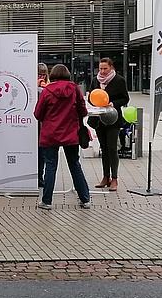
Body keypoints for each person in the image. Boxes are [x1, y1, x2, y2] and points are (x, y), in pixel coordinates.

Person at [33, 64, 91, 210]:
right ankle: (85, 199)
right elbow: (83, 111)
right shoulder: (74, 90)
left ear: (52, 75)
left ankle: (47, 201)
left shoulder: (47, 91)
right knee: (74, 165)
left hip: (50, 134)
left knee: (51, 166)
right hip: (71, 133)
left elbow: (38, 114)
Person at [87, 57, 130, 192]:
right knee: (104, 148)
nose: (103, 71)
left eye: (105, 68)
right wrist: (94, 103)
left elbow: (125, 98)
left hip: (113, 118)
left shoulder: (119, 80)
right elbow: (90, 96)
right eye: (100, 68)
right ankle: (105, 177)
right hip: (99, 119)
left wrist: (113, 103)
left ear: (111, 67)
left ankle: (115, 178)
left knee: (112, 148)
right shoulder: (96, 80)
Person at [36, 62, 50, 188]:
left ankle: (40, 177)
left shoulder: (48, 88)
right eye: (39, 74)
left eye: (44, 75)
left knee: (42, 154)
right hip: (32, 126)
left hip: (43, 127)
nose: (42, 78)